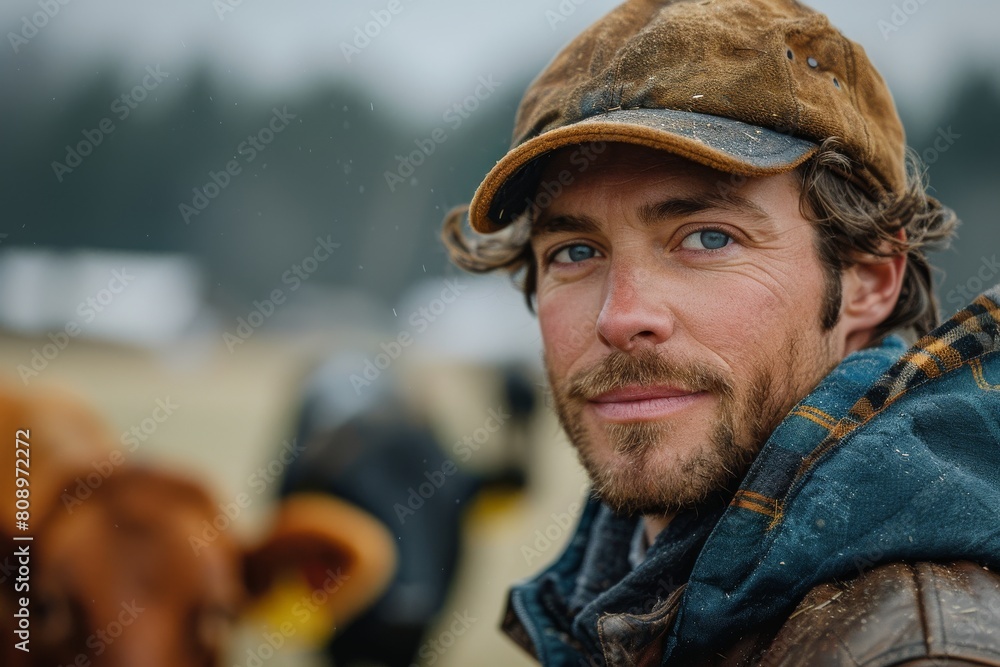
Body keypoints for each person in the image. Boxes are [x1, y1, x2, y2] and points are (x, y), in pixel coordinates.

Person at [440, 0, 1000, 664]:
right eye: (574, 252)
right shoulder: (623, 591)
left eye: (707, 238)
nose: (621, 317)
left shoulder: (918, 649)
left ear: (869, 279)